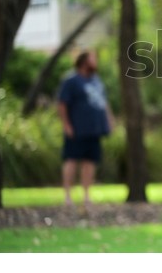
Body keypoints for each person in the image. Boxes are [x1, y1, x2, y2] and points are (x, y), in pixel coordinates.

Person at [58, 51, 113, 207]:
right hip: (77, 129)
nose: (95, 62)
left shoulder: (96, 81)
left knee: (90, 162)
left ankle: (86, 196)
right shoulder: (71, 80)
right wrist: (67, 125)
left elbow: (104, 103)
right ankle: (67, 196)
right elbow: (62, 104)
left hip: (95, 129)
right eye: (92, 59)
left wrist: (109, 121)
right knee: (71, 161)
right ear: (83, 61)